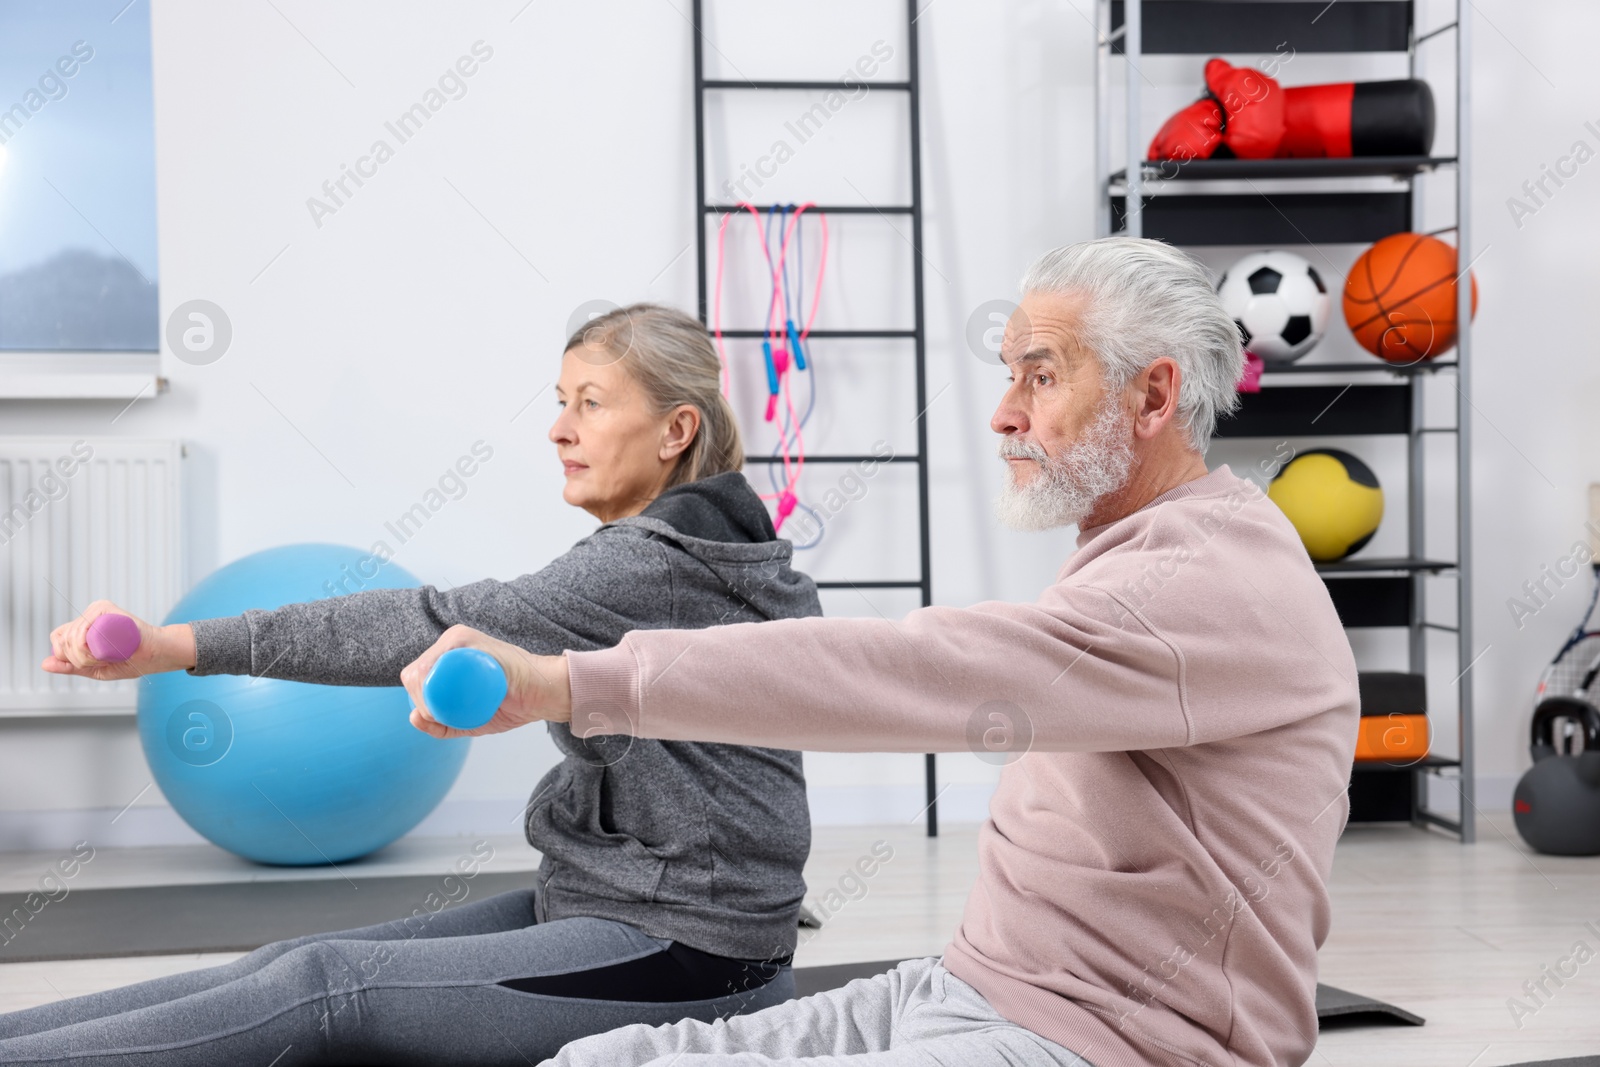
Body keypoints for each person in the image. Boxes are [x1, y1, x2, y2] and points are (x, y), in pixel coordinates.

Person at [399, 238, 1362, 1067]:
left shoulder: (1207, 581)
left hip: (1116, 1044)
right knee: (593, 1059)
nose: (1003, 412)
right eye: (1009, 373)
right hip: (970, 989)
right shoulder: (1139, 549)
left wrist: (565, 680)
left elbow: (908, 673)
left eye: (1041, 374)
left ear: (1152, 396)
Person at [12, 305, 822, 1067]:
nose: (559, 427)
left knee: (324, 987)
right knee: (294, 962)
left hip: (695, 956)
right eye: (561, 400)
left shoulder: (650, 563)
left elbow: (424, 620)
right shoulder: (735, 550)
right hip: (605, 905)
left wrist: (172, 645)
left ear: (676, 429)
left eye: (592, 403)